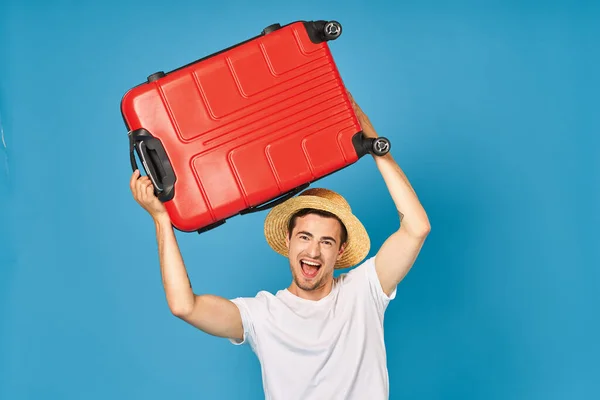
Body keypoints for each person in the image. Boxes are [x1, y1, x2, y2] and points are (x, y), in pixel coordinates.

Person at [129, 93, 431, 399]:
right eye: (305, 237)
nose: (313, 252)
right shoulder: (263, 315)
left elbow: (417, 228)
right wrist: (161, 219)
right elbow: (184, 306)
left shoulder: (363, 291)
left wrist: (373, 144)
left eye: (326, 242)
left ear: (340, 251)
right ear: (288, 241)